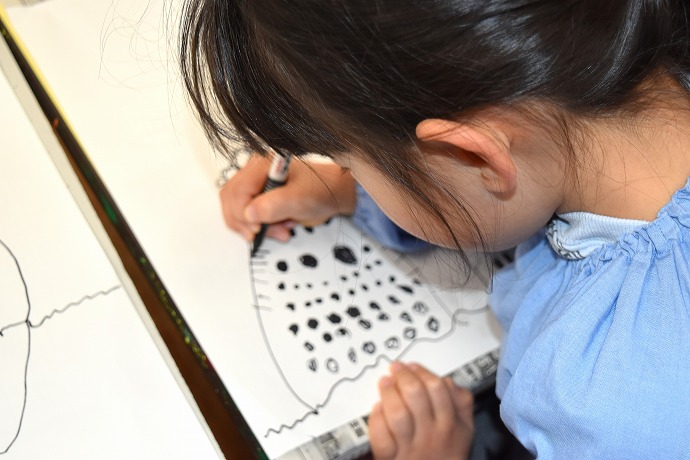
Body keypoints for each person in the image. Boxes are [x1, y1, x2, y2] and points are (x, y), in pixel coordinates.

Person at [179, 1, 690, 458]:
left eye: (351, 166)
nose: (350, 175)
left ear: (471, 155)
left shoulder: (606, 420)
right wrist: (349, 193)